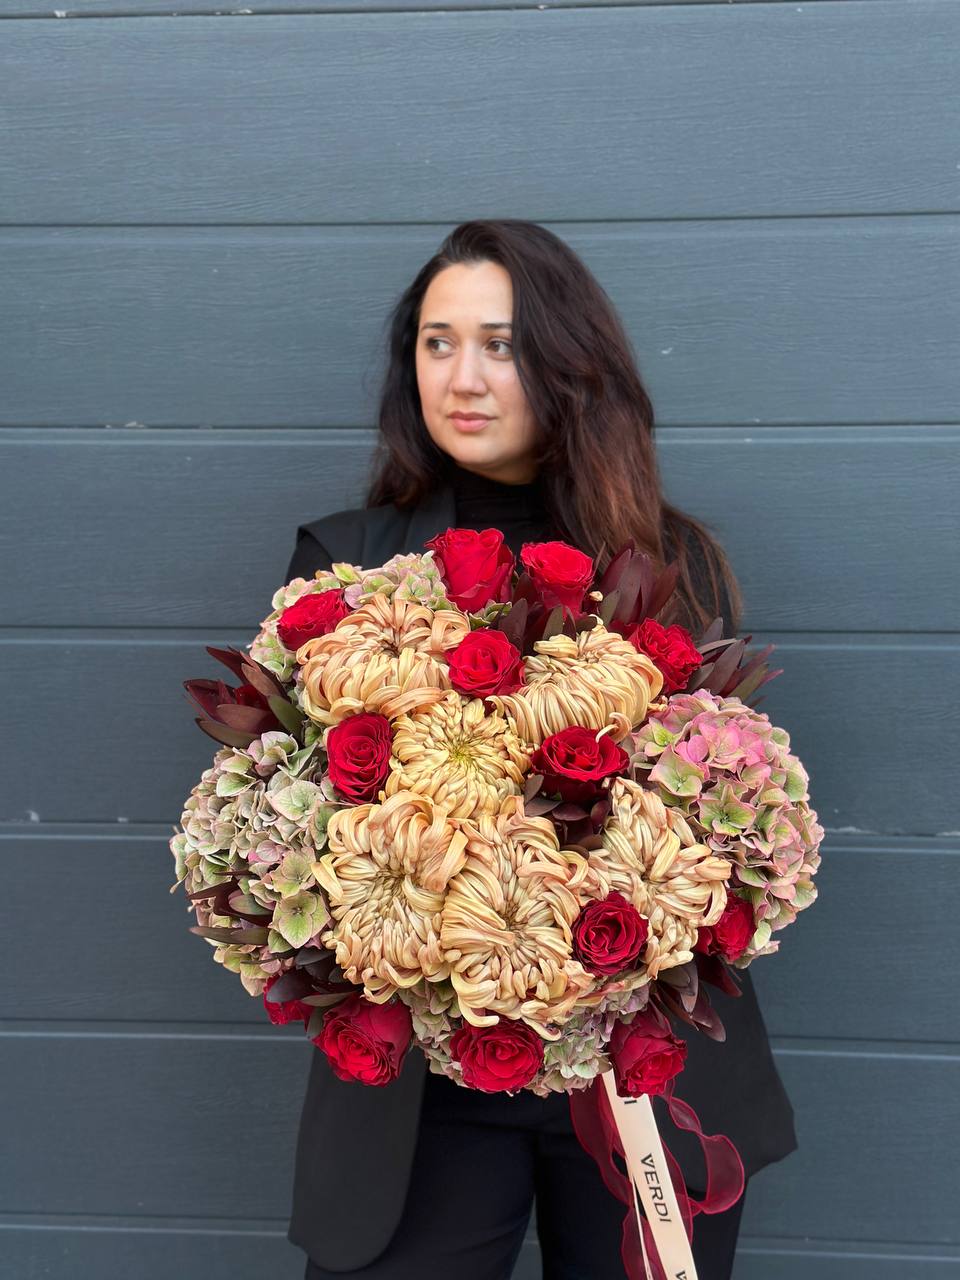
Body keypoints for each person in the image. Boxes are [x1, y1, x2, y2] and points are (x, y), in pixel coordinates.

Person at [285, 219, 797, 1280]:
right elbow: (295, 819)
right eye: (437, 343)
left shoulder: (670, 560)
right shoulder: (344, 563)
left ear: (568, 363)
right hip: (423, 1090)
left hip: (641, 1065)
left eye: (501, 345)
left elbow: (729, 816)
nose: (462, 377)